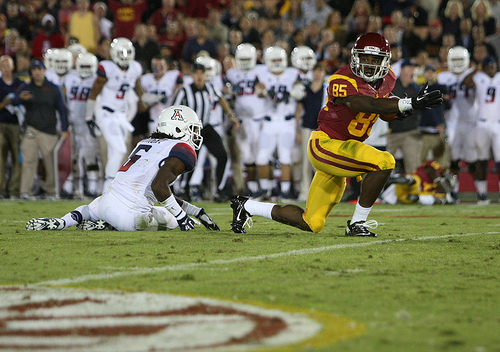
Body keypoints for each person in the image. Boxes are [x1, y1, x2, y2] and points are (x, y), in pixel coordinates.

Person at [229, 32, 443, 237]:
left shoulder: (387, 79)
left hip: (344, 149)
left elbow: (385, 112)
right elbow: (367, 103)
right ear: (354, 58)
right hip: (326, 145)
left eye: (374, 59)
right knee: (385, 161)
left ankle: (246, 205)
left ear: (385, 61)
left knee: (312, 222)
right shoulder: (341, 79)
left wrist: (409, 109)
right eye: (364, 58)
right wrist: (408, 102)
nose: (369, 64)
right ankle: (358, 223)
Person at [26, 105, 221, 232]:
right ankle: (112, 226)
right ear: (178, 129)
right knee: (169, 219)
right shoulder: (182, 148)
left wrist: (195, 211)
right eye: (192, 129)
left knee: (92, 207)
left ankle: (64, 222)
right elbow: (159, 186)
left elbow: (156, 188)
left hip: (105, 203)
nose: (195, 136)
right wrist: (182, 218)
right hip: (133, 218)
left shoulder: (146, 142)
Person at [85, 37, 153, 191]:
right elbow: (94, 93)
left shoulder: (135, 69)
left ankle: (115, 186)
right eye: (121, 52)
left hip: (121, 116)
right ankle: (108, 186)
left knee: (119, 152)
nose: (124, 55)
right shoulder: (106, 68)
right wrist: (89, 116)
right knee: (119, 149)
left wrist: (149, 98)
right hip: (106, 113)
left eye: (127, 52)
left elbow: (138, 90)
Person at [172, 62, 239, 201]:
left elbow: (220, 99)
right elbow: (175, 110)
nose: (199, 76)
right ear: (192, 75)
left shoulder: (210, 88)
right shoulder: (184, 91)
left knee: (222, 156)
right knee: (189, 160)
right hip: (190, 129)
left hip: (206, 127)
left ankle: (219, 191)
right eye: (196, 73)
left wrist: (230, 116)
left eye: (201, 73)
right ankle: (184, 189)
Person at [19, 59, 69, 200]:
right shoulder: (27, 87)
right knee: (28, 161)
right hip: (31, 129)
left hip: (48, 131)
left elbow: (62, 109)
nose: (37, 72)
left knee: (50, 163)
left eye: (39, 69)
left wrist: (64, 128)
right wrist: (20, 98)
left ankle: (51, 191)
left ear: (44, 70)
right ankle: (25, 191)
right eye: (34, 69)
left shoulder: (53, 88)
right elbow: (16, 100)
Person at [225, 43, 266, 197]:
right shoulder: (232, 73)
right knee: (246, 155)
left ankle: (264, 186)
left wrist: (263, 91)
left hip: (259, 119)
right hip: (241, 120)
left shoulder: (262, 71)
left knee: (260, 154)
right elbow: (227, 94)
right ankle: (253, 188)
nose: (245, 61)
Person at [62, 52, 101, 198]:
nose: (85, 69)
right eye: (82, 66)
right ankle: (74, 185)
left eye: (88, 66)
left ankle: (92, 184)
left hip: (88, 122)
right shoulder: (70, 77)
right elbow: (63, 97)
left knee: (90, 154)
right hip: (72, 121)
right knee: (74, 156)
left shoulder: (97, 80)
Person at [462, 56, 500, 204]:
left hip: (497, 123)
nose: (491, 68)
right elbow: (466, 83)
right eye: (488, 66)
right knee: (481, 160)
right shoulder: (479, 77)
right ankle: (482, 194)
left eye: (493, 66)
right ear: (483, 67)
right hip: (482, 123)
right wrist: (476, 69)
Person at [0, 55, 24, 199]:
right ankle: (1, 190)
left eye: (8, 66)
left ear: (13, 67)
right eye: (3, 66)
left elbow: (27, 100)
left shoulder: (20, 84)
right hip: (1, 125)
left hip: (17, 125)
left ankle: (14, 190)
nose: (6, 69)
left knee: (18, 158)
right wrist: (5, 103)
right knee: (0, 159)